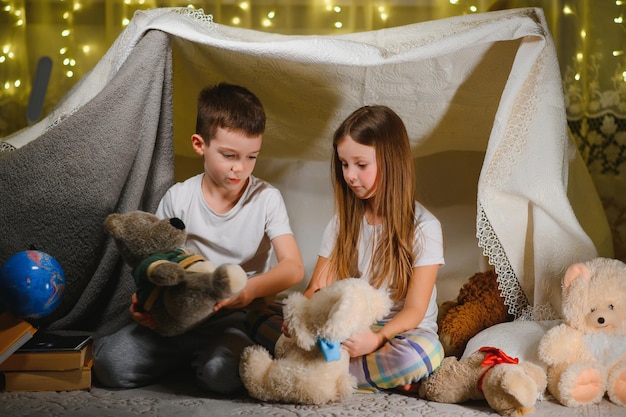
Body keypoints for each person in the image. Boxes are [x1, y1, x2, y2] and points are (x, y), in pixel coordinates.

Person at [93, 82, 304, 394]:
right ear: (199, 144)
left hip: (230, 320)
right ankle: (185, 359)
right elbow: (157, 263)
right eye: (229, 155)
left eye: (251, 157)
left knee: (224, 375)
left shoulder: (266, 198)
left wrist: (248, 291)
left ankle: (198, 362)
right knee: (110, 365)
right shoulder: (179, 197)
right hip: (177, 317)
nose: (239, 168)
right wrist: (146, 304)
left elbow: (293, 268)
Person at [301, 105, 445, 393]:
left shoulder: (425, 227)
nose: (350, 175)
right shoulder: (342, 223)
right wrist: (302, 317)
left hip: (400, 335)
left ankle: (320, 372)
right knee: (266, 316)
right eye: (344, 164)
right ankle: (364, 374)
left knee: (424, 354)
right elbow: (316, 287)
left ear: (392, 162)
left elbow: (415, 310)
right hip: (349, 330)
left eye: (361, 165)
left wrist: (377, 339)